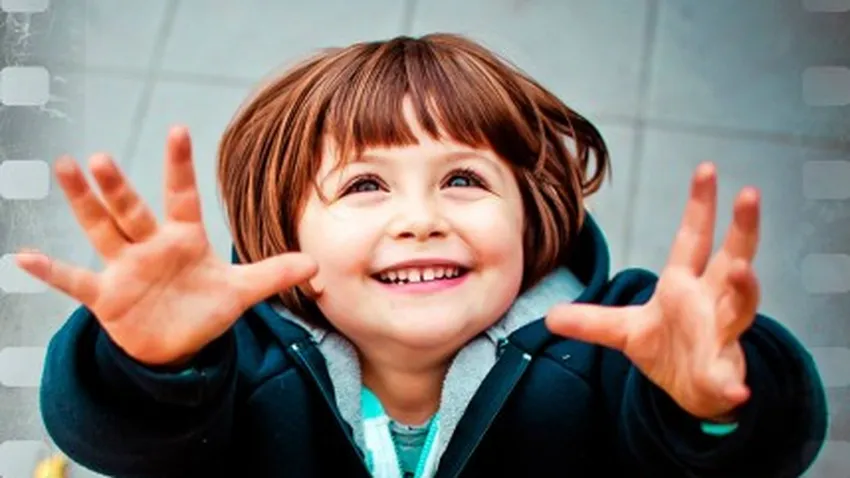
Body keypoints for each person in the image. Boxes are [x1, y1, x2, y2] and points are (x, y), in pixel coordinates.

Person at [18, 33, 827, 478]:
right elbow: (117, 442)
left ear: (531, 216)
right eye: (366, 185)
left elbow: (756, 453)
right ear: (287, 236)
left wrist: (709, 407)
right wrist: (153, 368)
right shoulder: (229, 366)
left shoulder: (623, 344)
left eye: (463, 179)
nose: (419, 219)